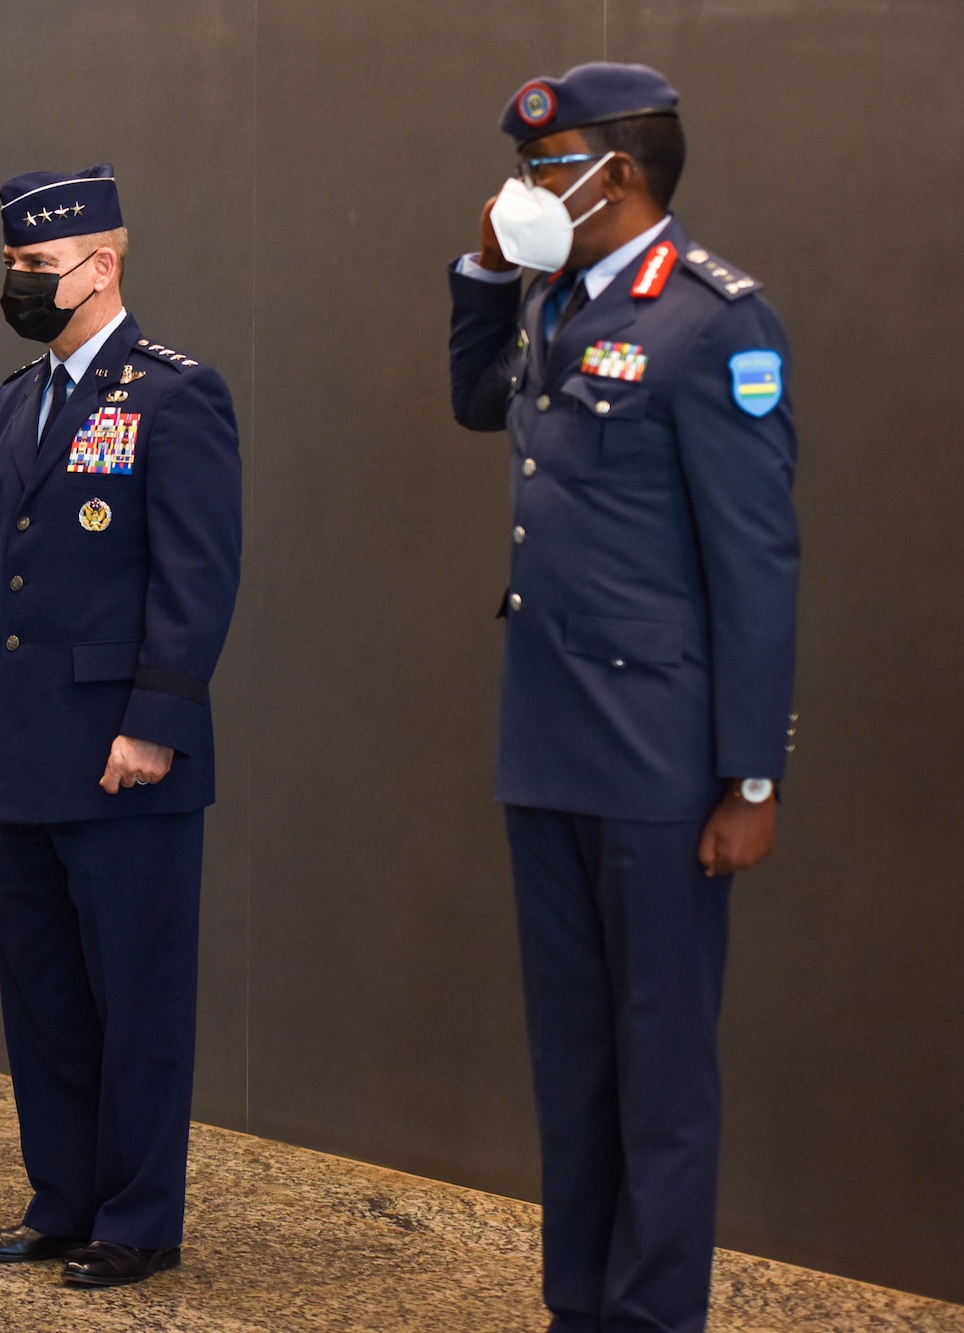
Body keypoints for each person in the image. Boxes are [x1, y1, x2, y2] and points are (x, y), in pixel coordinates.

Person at [448, 63, 800, 1333]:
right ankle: (576, 1308)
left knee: (657, 1074)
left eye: (543, 171)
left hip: (657, 756)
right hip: (543, 745)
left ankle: (651, 1319)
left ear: (620, 178)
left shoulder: (713, 323)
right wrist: (485, 272)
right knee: (574, 1065)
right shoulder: (552, 302)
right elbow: (471, 400)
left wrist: (749, 775)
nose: (521, 189)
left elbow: (755, 567)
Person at [0, 165, 242, 1288]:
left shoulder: (174, 394)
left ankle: (136, 1219)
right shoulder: (14, 398)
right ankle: (60, 1200)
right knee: (43, 995)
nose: (19, 284)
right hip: (31, 746)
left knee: (136, 997)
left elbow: (197, 575)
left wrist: (154, 723)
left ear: (100, 264)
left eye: (35, 268)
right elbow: (7, 582)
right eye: (12, 267)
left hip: (128, 754)